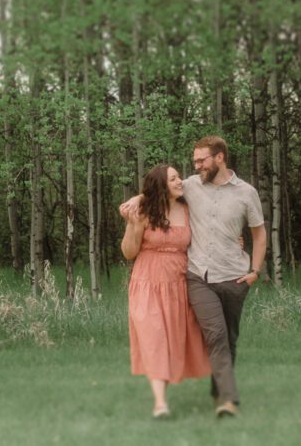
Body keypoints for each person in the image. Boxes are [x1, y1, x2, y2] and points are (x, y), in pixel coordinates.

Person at [121, 136, 267, 418]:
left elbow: (256, 234)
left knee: (226, 338)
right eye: (194, 161)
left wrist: (254, 270)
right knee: (203, 336)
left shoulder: (239, 194)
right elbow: (155, 190)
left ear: (220, 158)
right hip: (181, 279)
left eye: (201, 160)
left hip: (216, 278)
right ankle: (212, 401)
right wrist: (135, 201)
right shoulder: (187, 188)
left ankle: (220, 391)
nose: (195, 166)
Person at [121, 164, 211, 419]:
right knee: (155, 339)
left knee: (172, 341)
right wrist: (132, 224)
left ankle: (169, 393)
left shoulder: (188, 209)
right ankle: (160, 404)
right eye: (173, 179)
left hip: (180, 284)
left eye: (179, 177)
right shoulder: (144, 212)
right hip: (148, 283)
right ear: (162, 185)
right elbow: (128, 252)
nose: (179, 181)